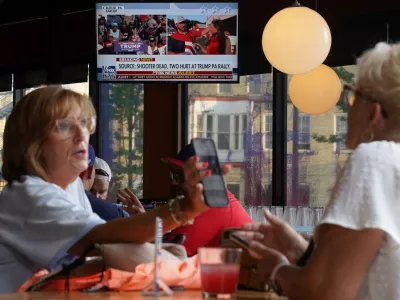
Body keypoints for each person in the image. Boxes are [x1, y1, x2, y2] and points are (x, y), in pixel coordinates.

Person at [0, 86, 210, 293]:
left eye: (84, 123)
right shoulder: (28, 195)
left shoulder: (71, 185)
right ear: (31, 144)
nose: (81, 134)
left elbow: (98, 251)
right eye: (64, 126)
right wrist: (183, 209)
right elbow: (106, 237)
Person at [243, 42, 400, 300]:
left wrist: (276, 270)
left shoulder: (376, 159)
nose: (348, 107)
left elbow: (325, 294)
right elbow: (367, 274)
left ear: (374, 113)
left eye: (352, 96)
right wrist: (300, 252)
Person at [162, 143, 252, 256]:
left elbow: (169, 253)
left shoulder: (211, 203)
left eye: (179, 175)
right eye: (173, 174)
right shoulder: (214, 198)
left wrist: (145, 226)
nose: (174, 182)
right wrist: (147, 221)